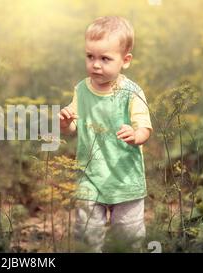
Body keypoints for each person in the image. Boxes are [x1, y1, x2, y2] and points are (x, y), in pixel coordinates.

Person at [58, 16, 153, 252]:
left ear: (125, 60)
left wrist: (136, 134)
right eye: (90, 57)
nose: (96, 65)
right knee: (88, 234)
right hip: (90, 177)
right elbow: (73, 129)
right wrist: (65, 124)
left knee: (128, 235)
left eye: (105, 58)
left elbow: (145, 126)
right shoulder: (81, 89)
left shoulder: (131, 92)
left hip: (125, 178)